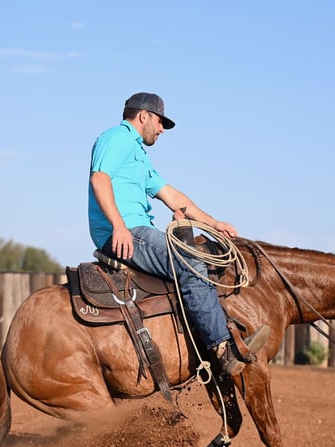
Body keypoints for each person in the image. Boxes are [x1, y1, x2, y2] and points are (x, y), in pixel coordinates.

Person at [87, 92, 270, 376]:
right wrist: (119, 226)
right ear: (144, 116)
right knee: (190, 262)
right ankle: (222, 350)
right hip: (124, 232)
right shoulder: (116, 138)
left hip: (137, 230)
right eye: (160, 122)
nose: (162, 129)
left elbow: (170, 195)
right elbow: (99, 178)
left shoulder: (139, 155)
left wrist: (213, 223)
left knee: (204, 258)